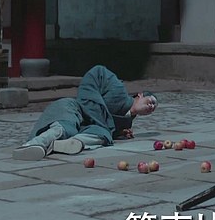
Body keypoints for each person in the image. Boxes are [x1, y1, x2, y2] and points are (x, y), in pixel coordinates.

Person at [12, 65, 157, 160]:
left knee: (103, 135)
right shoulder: (117, 88)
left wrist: (117, 132)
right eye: (150, 101)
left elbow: (106, 127)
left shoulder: (126, 123)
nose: (151, 105)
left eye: (153, 107)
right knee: (65, 124)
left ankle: (71, 143)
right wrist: (100, 116)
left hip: (85, 127)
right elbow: (96, 73)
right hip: (75, 108)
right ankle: (34, 145)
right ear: (139, 95)